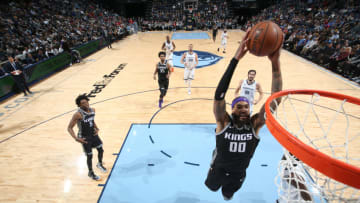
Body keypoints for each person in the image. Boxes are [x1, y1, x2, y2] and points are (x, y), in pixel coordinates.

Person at [205, 30, 283, 200]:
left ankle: (227, 193)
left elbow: (275, 101)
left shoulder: (255, 124)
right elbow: (219, 96)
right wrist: (235, 59)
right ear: (231, 110)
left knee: (228, 195)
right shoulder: (224, 122)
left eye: (246, 107)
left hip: (238, 173)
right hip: (217, 168)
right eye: (238, 106)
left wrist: (275, 64)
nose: (243, 109)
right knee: (211, 188)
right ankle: (215, 161)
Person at [67, 94, 107, 181]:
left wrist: (96, 128)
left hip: (93, 134)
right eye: (83, 103)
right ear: (79, 105)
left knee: (101, 149)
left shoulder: (93, 110)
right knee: (90, 156)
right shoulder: (78, 114)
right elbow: (69, 128)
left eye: (86, 102)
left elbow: (92, 120)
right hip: (84, 137)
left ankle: (99, 164)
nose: (85, 104)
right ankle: (90, 172)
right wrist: (76, 138)